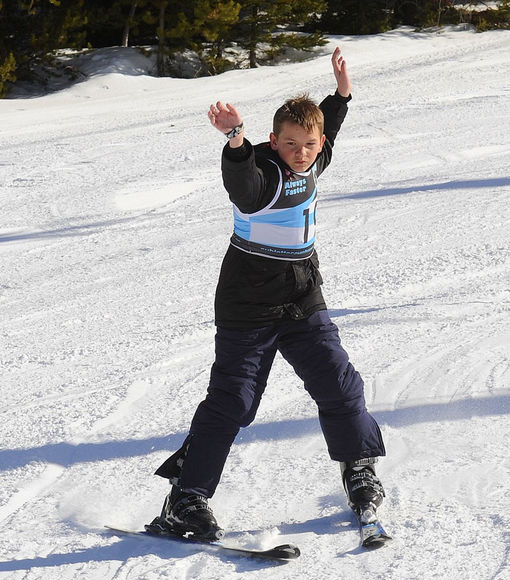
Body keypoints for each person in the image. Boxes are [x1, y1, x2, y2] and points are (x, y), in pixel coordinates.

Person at [148, 48, 386, 540]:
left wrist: (341, 94)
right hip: (247, 303)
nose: (301, 152)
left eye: (309, 144)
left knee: (340, 385)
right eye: (291, 143)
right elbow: (245, 187)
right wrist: (236, 141)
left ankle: (358, 467)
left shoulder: (314, 161)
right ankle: (185, 499)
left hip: (301, 297)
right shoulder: (266, 172)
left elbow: (330, 127)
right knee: (233, 401)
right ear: (273, 141)